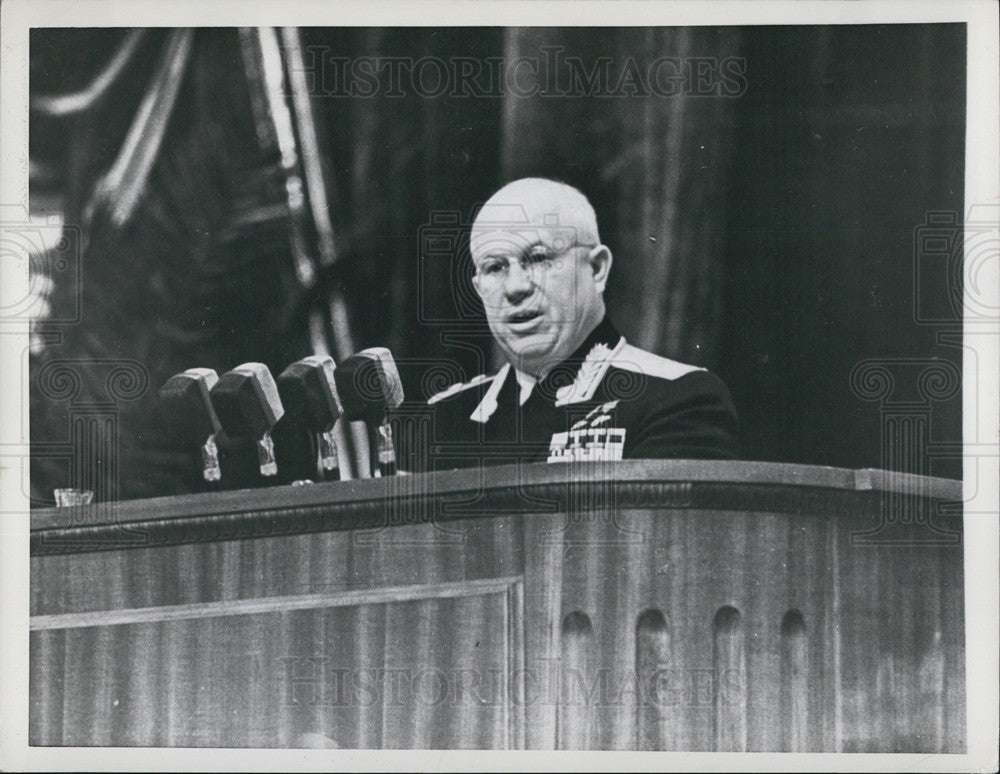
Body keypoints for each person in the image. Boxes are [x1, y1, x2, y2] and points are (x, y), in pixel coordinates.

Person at [394, 177, 738, 472]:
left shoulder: (674, 399)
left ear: (598, 268)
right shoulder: (438, 422)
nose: (515, 287)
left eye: (540, 259)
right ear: (479, 288)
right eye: (495, 267)